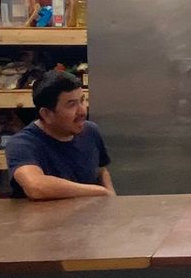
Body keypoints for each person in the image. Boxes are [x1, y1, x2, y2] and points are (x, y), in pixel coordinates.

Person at [7, 70, 113, 199]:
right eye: (71, 104)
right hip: (43, 218)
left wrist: (111, 198)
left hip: (89, 216)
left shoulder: (90, 131)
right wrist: (99, 191)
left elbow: (100, 170)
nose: (82, 111)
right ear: (46, 114)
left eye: (82, 100)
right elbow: (36, 186)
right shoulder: (22, 144)